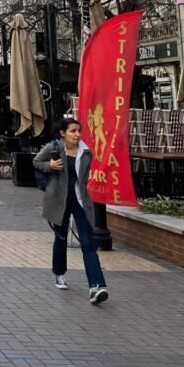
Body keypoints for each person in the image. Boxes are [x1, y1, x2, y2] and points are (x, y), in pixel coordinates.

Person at [33, 117, 109, 305]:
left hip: (80, 201)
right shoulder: (54, 148)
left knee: (88, 243)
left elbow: (83, 179)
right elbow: (36, 162)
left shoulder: (86, 152)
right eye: (72, 131)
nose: (77, 134)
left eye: (78, 131)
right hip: (58, 200)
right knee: (61, 238)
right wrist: (49, 166)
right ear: (63, 133)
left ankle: (97, 286)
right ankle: (59, 273)